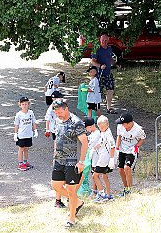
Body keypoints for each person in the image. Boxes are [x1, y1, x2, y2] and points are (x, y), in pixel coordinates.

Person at [51, 100, 88, 228]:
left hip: (72, 162)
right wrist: (54, 154)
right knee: (56, 186)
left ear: (66, 109)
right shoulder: (58, 120)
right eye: (56, 113)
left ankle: (71, 218)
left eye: (60, 112)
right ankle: (77, 202)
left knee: (71, 190)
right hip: (59, 159)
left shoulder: (76, 122)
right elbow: (57, 138)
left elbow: (85, 143)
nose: (58, 115)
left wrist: (81, 162)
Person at [115, 111, 146, 196]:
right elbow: (119, 136)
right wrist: (116, 148)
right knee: (120, 169)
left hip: (131, 150)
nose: (121, 125)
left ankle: (130, 190)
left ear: (129, 123)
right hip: (122, 149)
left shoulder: (138, 130)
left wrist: (136, 147)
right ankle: (126, 188)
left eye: (123, 124)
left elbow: (142, 138)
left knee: (127, 168)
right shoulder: (120, 126)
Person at [44, 91, 66, 208]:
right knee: (59, 179)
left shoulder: (67, 117)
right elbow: (48, 119)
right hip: (56, 134)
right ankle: (59, 200)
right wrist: (48, 129)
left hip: (67, 154)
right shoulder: (51, 109)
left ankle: (67, 198)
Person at [91, 34, 117, 114]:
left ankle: (109, 108)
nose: (104, 42)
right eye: (103, 40)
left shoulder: (109, 49)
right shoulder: (97, 49)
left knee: (110, 89)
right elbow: (93, 61)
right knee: (97, 91)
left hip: (108, 73)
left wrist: (115, 62)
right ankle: (94, 108)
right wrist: (100, 65)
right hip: (99, 74)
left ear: (108, 41)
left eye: (106, 40)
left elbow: (110, 59)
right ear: (100, 40)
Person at [92, 115, 116, 202]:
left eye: (103, 127)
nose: (101, 129)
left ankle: (102, 194)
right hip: (104, 157)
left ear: (107, 125)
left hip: (104, 158)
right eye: (100, 127)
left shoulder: (108, 134)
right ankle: (109, 195)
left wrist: (112, 159)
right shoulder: (103, 132)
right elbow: (101, 141)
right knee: (105, 176)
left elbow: (113, 146)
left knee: (95, 175)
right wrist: (95, 147)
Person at [14, 97, 38, 171]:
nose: (24, 106)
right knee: (21, 149)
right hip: (21, 135)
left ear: (29, 104)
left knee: (26, 149)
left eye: (26, 104)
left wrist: (35, 130)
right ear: (20, 105)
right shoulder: (18, 114)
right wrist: (15, 133)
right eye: (23, 104)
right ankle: (20, 163)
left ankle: (25, 162)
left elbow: (33, 122)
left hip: (29, 134)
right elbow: (16, 125)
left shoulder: (31, 113)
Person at [83, 117, 101, 196]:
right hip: (93, 156)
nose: (87, 130)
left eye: (87, 128)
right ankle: (95, 190)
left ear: (90, 126)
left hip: (96, 156)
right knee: (93, 173)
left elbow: (91, 145)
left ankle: (96, 190)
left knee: (95, 174)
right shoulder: (93, 133)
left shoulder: (97, 134)